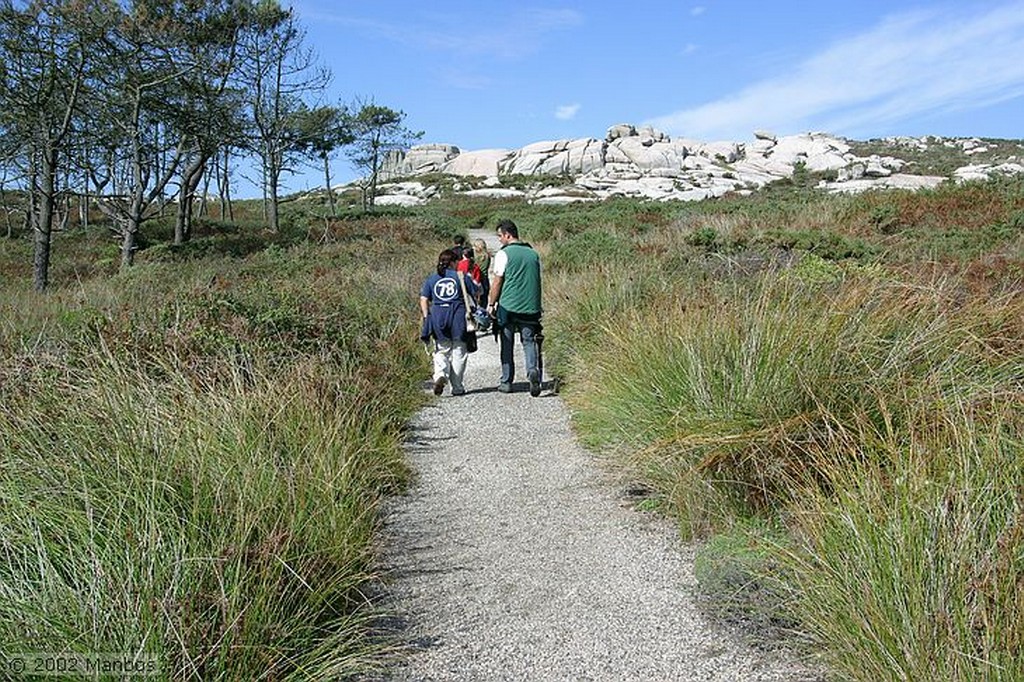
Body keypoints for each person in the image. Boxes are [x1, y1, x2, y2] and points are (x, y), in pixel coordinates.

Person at [486, 219, 543, 397]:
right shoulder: (533, 253)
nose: (500, 240)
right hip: (531, 306)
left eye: (500, 236)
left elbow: (497, 281)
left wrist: (491, 304)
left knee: (507, 342)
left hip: (508, 305)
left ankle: (506, 381)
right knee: (528, 341)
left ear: (508, 235)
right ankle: (532, 370)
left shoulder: (504, 254)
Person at [420, 248, 478, 396]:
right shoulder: (461, 276)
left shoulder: (432, 279)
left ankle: (440, 374)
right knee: (459, 350)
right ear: (453, 262)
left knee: (442, 349)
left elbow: (424, 299)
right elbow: (475, 292)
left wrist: (427, 317)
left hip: (438, 315)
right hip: (457, 315)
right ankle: (457, 387)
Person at [472, 237, 491, 304]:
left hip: (476, 279)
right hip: (485, 278)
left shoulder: (475, 256)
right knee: (484, 299)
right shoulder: (487, 256)